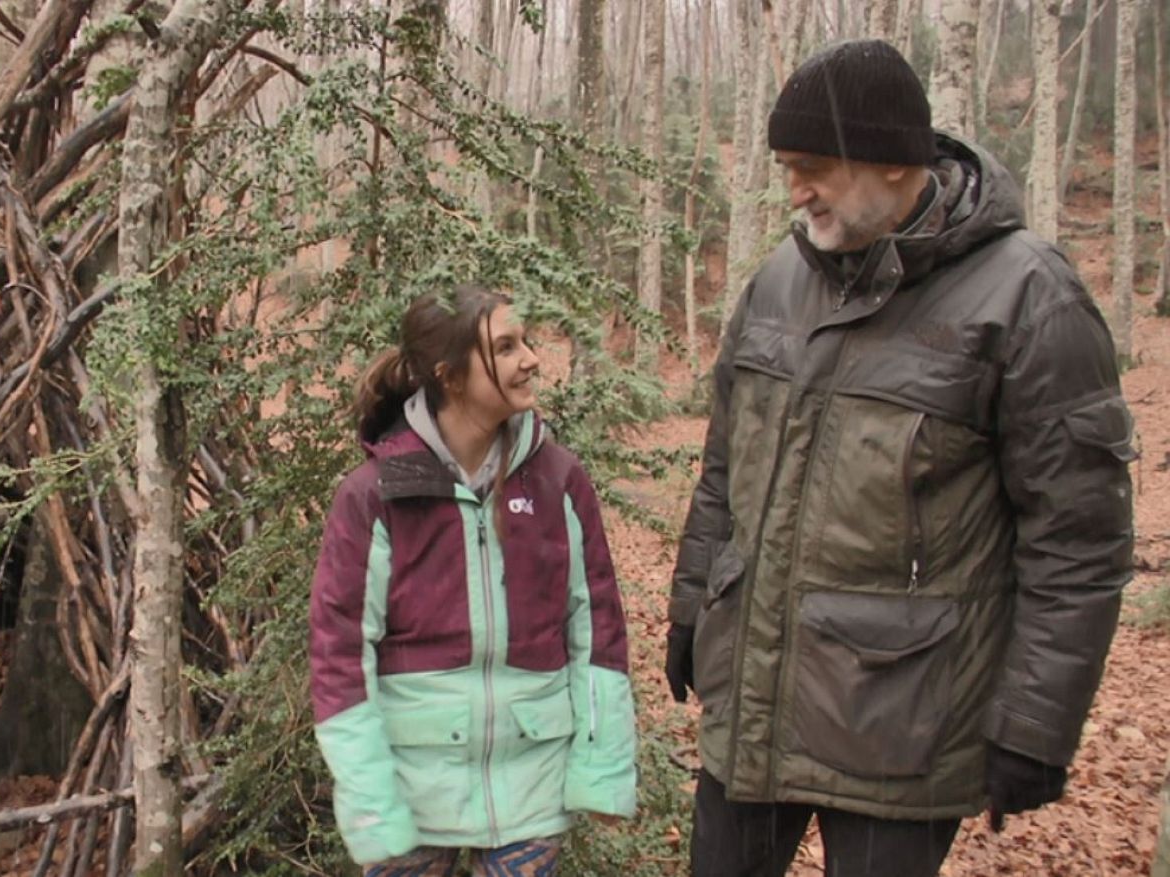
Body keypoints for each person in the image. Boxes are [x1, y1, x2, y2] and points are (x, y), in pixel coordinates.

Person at [665, 39, 1136, 877]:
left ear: (891, 161)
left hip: (902, 725)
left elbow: (1078, 536)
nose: (794, 189)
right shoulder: (778, 281)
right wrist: (695, 604)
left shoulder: (1028, 298)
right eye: (785, 167)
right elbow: (724, 470)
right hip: (755, 703)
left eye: (812, 165)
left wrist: (1035, 721)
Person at [310, 286, 638, 875]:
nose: (531, 358)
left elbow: (598, 628)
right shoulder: (376, 494)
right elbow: (339, 655)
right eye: (506, 347)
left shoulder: (558, 481)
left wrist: (603, 766)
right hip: (410, 790)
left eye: (526, 342)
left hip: (531, 784)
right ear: (451, 376)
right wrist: (370, 804)